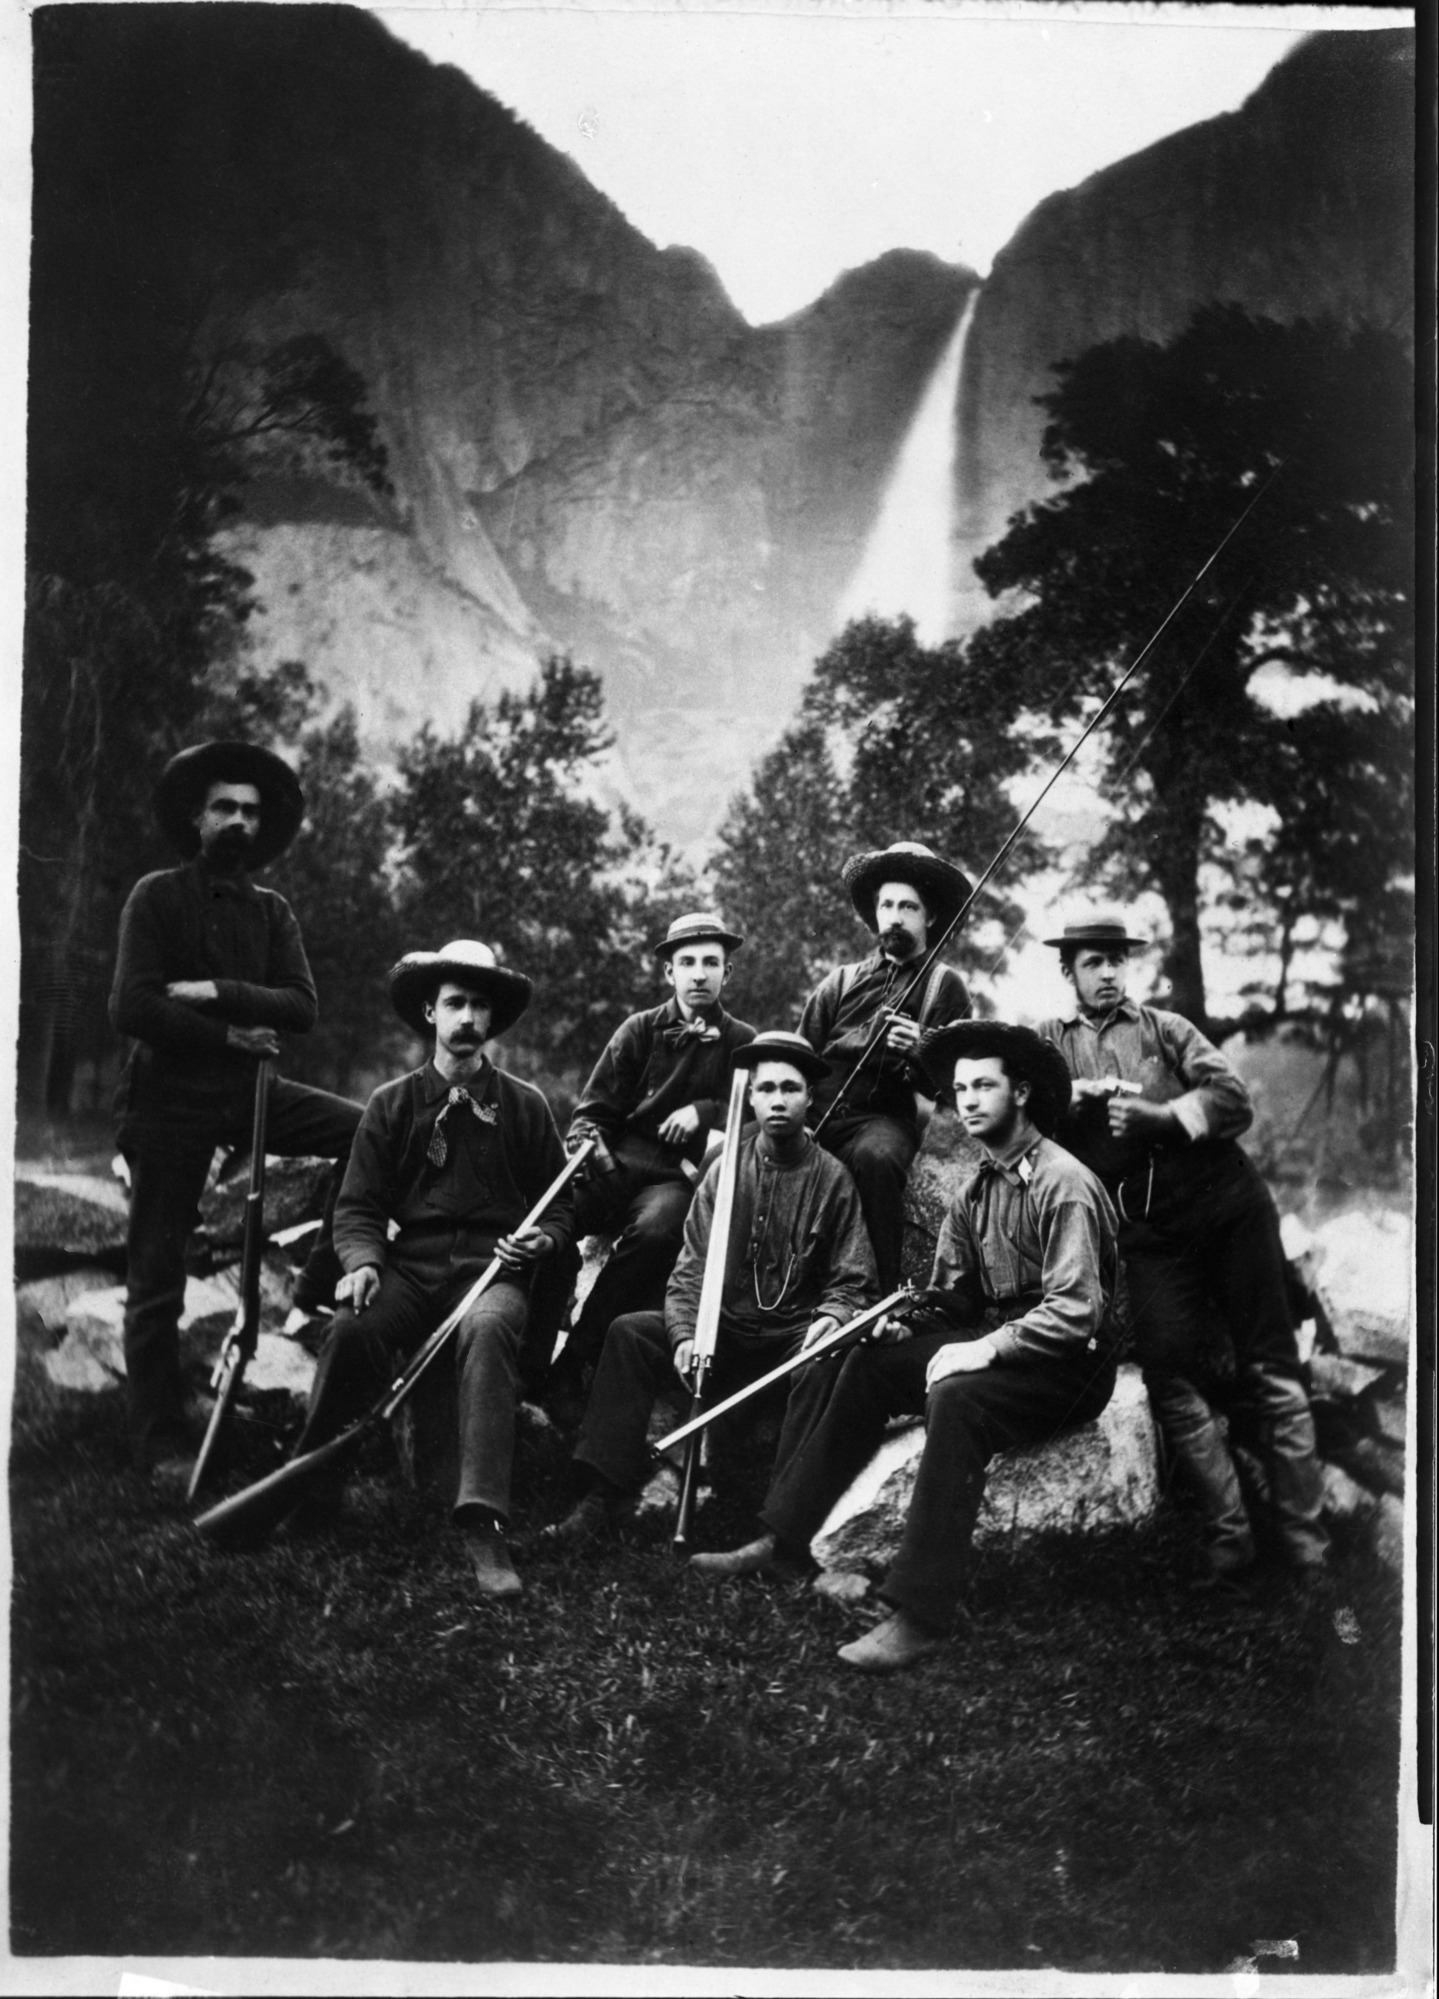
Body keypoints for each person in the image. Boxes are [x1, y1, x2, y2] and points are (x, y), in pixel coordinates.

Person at [692, 1023, 1123, 1675]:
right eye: (959, 1089)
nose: (969, 1100)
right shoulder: (975, 1186)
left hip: (1069, 1365)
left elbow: (1076, 1310)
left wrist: (986, 1349)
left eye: (984, 1085)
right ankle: (783, 1542)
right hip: (1006, 1340)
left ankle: (919, 1611)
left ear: (1023, 1093)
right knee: (864, 1361)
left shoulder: (1062, 1183)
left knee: (957, 1396)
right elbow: (954, 1298)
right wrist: (907, 1327)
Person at [1036, 913, 1328, 1592]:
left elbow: (1233, 1099)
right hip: (1149, 1232)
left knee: (1271, 1364)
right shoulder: (1048, 1046)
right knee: (1167, 1371)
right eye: (1091, 961)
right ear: (1068, 972)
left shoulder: (1165, 1028)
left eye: (1115, 959)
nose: (1107, 972)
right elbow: (1019, 1117)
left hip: (1227, 1206)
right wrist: (1066, 1097)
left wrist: (1164, 1117)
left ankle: (1307, 1549)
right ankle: (1231, 1542)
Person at [285, 940, 575, 1597]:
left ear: (492, 1020)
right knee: (354, 1328)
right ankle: (312, 1486)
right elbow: (356, 1206)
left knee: (491, 1328)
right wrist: (361, 1262)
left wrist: (544, 1244)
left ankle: (482, 1520)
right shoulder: (390, 1103)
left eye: (479, 1005)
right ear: (429, 1012)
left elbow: (564, 1207)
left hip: (490, 1272)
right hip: (408, 1270)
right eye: (454, 1003)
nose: (467, 1017)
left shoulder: (525, 1104)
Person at [111, 741, 363, 1488]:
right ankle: (158, 1439)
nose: (239, 822)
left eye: (252, 812)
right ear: (196, 816)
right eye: (225, 807)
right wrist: (228, 1033)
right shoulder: (155, 896)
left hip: (249, 1095)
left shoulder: (271, 910)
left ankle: (318, 1276)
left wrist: (213, 990)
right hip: (165, 1103)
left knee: (366, 1129)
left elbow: (302, 1006)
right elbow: (131, 1004)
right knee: (156, 1274)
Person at [540, 1030, 876, 1548]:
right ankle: (599, 1499)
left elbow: (853, 1278)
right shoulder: (724, 1172)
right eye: (766, 1089)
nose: (778, 1100)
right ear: (752, 1097)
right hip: (720, 1335)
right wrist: (682, 1335)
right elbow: (689, 1270)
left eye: (791, 1088)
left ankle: (776, 1531)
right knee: (631, 1333)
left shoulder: (833, 1179)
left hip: (790, 1341)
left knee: (831, 1359)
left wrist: (831, 1316)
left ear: (810, 1097)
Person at [526, 912, 757, 1411]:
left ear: (728, 973)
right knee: (551, 1225)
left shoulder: (743, 1042)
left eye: (711, 963)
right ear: (668, 973)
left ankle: (573, 1366)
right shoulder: (637, 1030)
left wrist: (706, 1111)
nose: (699, 974)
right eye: (688, 962)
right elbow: (589, 1116)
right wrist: (593, 1155)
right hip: (615, 1165)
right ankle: (527, 1366)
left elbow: (756, 1122)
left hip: (678, 1178)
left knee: (656, 1232)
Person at [798, 842, 972, 1291]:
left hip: (882, 1121)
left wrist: (921, 1049)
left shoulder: (944, 986)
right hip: (818, 1113)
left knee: (878, 1160)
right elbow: (800, 1057)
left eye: (908, 906)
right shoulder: (840, 981)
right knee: (740, 1154)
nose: (894, 916)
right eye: (887, 905)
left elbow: (955, 1086)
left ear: (930, 916)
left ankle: (877, 1296)